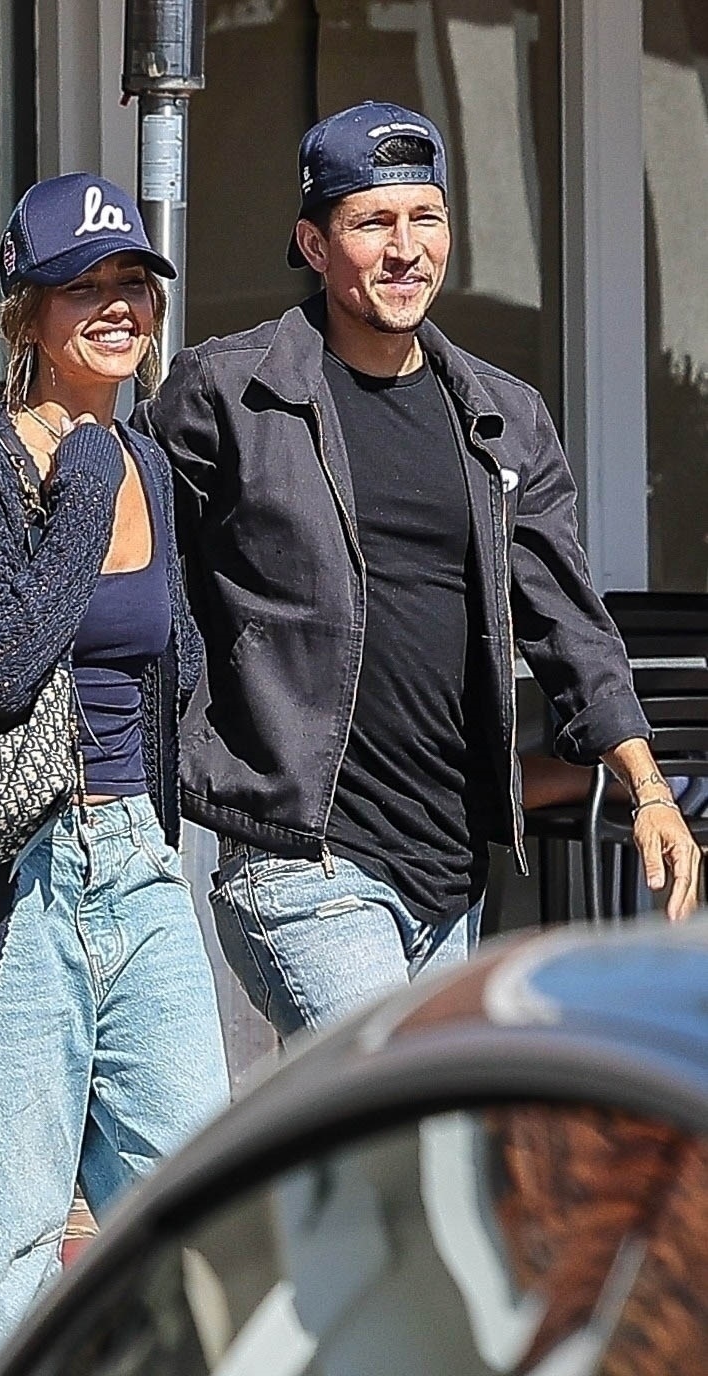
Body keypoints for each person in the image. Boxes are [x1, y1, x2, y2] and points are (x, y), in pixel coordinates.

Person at [138, 102, 702, 1038]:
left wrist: (646, 786)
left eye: (425, 218)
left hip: (449, 869)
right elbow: (136, 573)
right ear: (314, 245)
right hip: (304, 859)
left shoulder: (501, 417)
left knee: (410, 1124)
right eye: (372, 223)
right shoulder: (227, 395)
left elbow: (568, 621)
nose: (405, 250)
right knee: (401, 1089)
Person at [0, 173, 229, 1376]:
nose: (117, 305)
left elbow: (172, 675)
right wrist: (82, 482)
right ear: (25, 312)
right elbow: (3, 664)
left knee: (206, 1225)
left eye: (133, 283)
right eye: (83, 285)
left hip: (135, 868)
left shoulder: (150, 466)